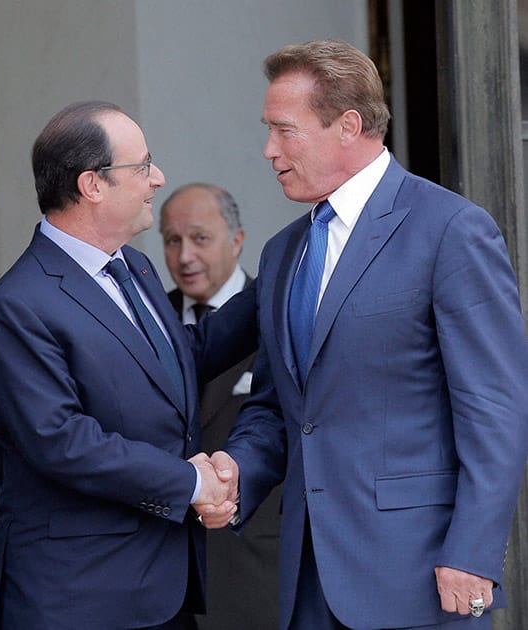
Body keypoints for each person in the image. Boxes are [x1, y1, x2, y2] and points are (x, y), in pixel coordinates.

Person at [198, 40, 528, 629]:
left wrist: (473, 552)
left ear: (348, 125)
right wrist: (237, 472)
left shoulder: (451, 230)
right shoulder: (283, 252)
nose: (268, 150)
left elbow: (494, 410)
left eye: (284, 130)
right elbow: (278, 407)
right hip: (305, 577)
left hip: (420, 576)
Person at [0, 101, 255, 630]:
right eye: (143, 166)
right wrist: (189, 482)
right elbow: (60, 440)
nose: (157, 178)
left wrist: (287, 274)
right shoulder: (19, 302)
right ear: (93, 185)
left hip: (161, 587)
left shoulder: (132, 265)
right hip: (78, 598)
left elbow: (182, 357)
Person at [160, 183, 281, 630]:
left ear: (237, 239)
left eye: (200, 238)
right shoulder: (146, 320)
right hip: (165, 573)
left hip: (253, 564)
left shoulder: (274, 315)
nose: (186, 256)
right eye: (173, 240)